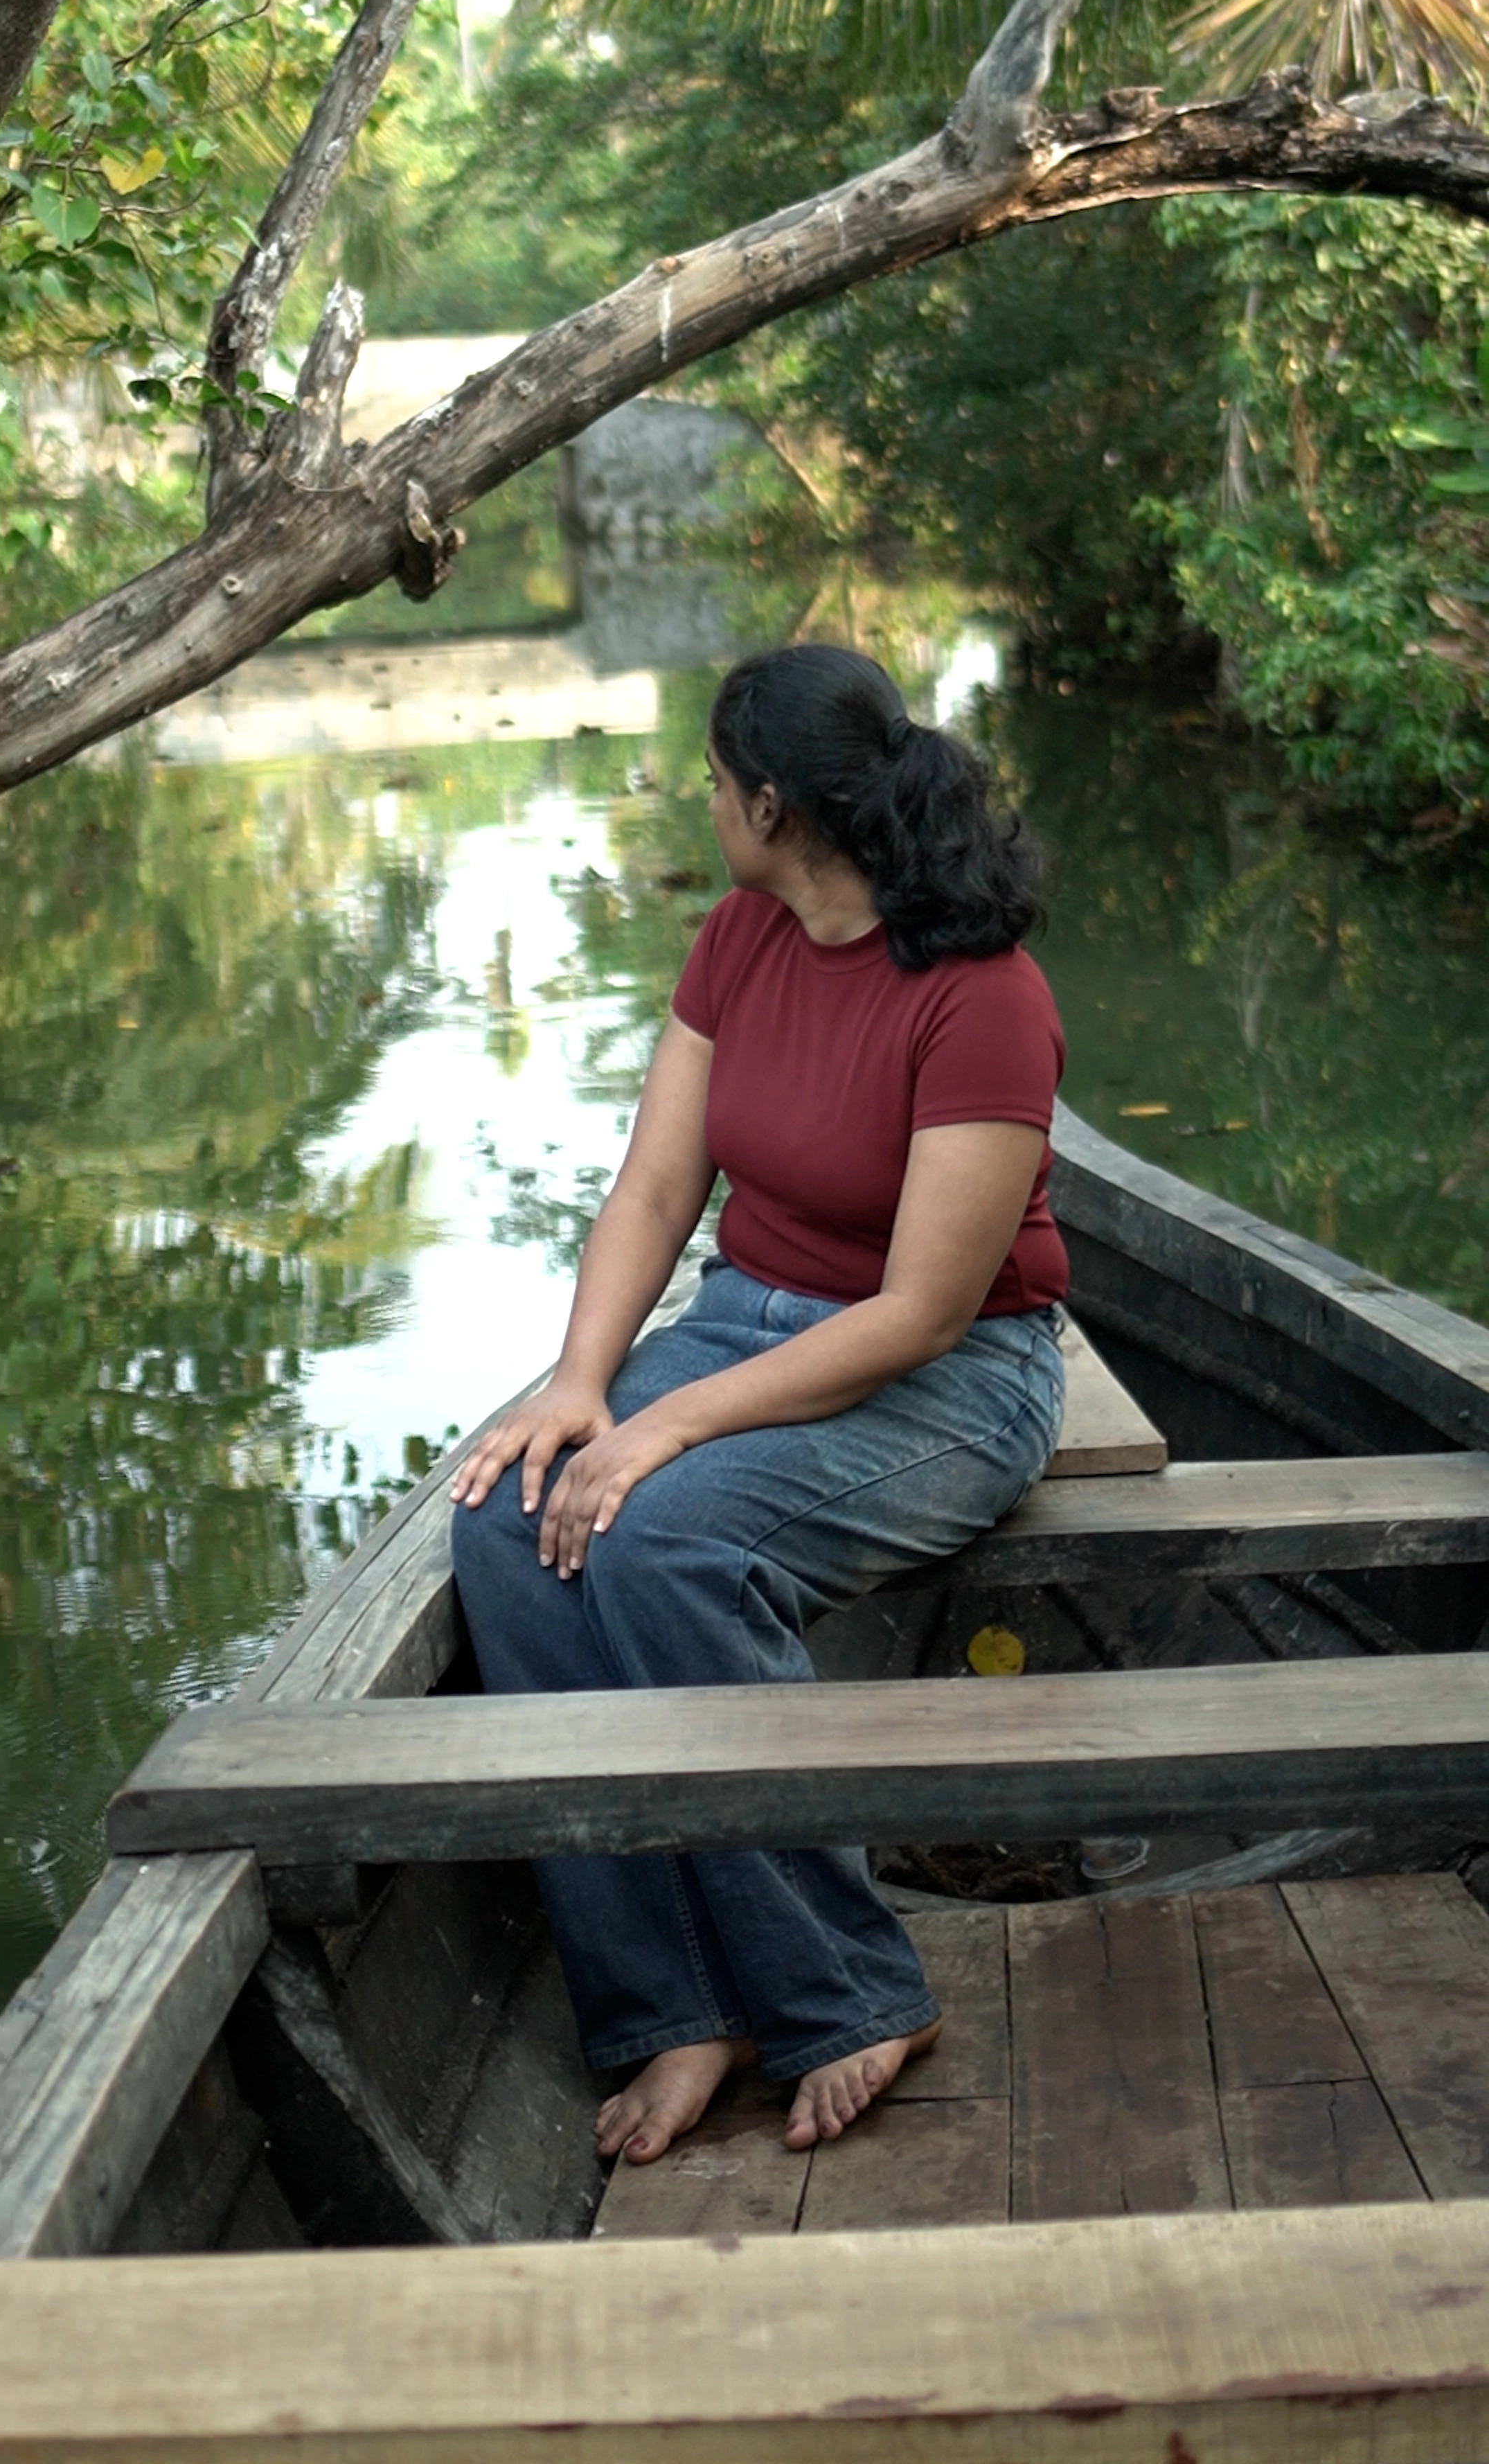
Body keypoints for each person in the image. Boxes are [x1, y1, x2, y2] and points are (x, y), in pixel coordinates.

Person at [451, 641, 1068, 2168]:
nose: (705, 804)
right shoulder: (738, 936)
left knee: (668, 1545)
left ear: (774, 805)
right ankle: (676, 2008)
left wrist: (666, 1426)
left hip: (954, 1375)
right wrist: (582, 1385)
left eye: (716, 784)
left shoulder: (983, 996)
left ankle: (846, 1991)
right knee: (511, 1524)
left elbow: (922, 1312)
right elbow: (658, 1187)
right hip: (744, 1319)